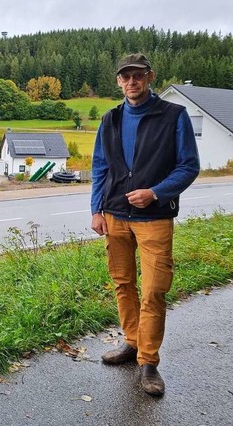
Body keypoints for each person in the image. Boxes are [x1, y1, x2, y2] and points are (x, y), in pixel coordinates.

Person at [90, 53, 200, 396]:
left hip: (154, 218)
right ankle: (133, 343)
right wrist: (96, 210)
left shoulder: (174, 116)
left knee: (154, 290)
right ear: (119, 82)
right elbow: (99, 168)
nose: (132, 82)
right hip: (114, 216)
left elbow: (188, 166)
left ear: (149, 77)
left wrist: (155, 192)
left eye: (138, 76)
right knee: (123, 284)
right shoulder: (109, 119)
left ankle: (149, 362)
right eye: (126, 77)